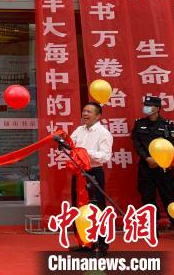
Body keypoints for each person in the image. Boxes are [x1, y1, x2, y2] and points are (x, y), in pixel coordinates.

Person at [69, 102, 113, 254]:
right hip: (78, 173)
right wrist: (62, 143)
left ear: (98, 116)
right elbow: (71, 145)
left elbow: (105, 156)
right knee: (78, 207)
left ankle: (102, 245)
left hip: (94, 173)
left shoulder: (103, 133)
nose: (85, 114)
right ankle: (85, 243)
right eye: (84, 111)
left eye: (89, 112)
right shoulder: (79, 130)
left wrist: (85, 152)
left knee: (97, 209)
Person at [131, 95, 174, 233]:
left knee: (170, 197)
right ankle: (151, 228)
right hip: (146, 167)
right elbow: (137, 144)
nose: (146, 108)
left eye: (149, 106)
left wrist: (160, 160)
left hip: (164, 167)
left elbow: (173, 144)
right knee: (147, 198)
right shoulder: (139, 124)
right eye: (145, 105)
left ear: (157, 108)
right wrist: (147, 158)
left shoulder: (168, 125)